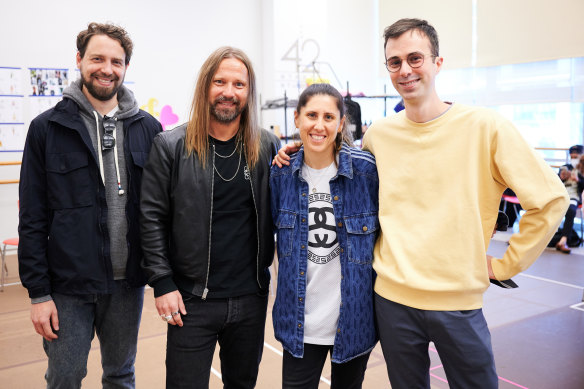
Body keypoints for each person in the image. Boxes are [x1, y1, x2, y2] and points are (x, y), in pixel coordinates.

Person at [274, 18, 568, 389]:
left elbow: (551, 199)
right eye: (394, 62)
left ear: (437, 62)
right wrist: (299, 149)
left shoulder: (486, 127)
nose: (405, 70)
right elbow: (341, 166)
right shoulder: (380, 134)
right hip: (392, 302)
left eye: (415, 58)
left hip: (457, 303)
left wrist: (508, 264)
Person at [18, 22, 162, 388]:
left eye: (117, 61)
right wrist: (38, 293)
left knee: (120, 375)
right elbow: (32, 217)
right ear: (79, 60)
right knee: (64, 377)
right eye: (97, 58)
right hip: (68, 286)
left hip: (127, 283)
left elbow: (162, 211)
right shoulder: (47, 128)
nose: (107, 68)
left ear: (126, 66)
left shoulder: (149, 128)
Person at [140, 46, 280, 389]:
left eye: (239, 84)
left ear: (248, 93)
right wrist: (162, 281)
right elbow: (151, 217)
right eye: (220, 81)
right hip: (192, 300)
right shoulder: (171, 145)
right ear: (206, 86)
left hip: (251, 298)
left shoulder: (266, 146)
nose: (229, 92)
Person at [270, 84, 378, 389]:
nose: (319, 125)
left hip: (355, 322)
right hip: (300, 324)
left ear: (341, 123)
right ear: (297, 118)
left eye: (329, 117)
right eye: (312, 115)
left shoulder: (367, 173)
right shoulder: (280, 174)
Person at [554, 144, 584, 253]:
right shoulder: (565, 167)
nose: (573, 159)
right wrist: (561, 178)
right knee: (545, 206)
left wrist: (578, 180)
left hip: (574, 196)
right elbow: (555, 183)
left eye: (576, 157)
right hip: (560, 195)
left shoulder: (582, 170)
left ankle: (563, 241)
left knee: (570, 210)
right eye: (572, 157)